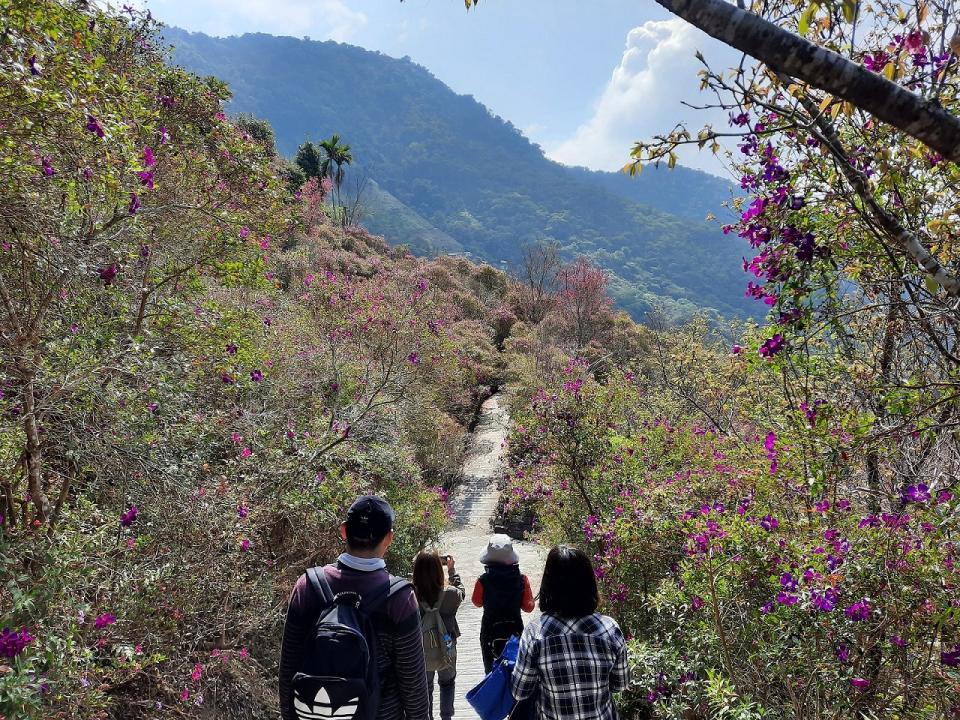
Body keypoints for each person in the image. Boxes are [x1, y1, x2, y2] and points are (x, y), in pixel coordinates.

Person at [279, 495, 429, 720]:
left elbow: (288, 670)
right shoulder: (399, 597)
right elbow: (414, 687)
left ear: (343, 531)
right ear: (389, 538)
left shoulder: (307, 586)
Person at [511, 545, 629, 720]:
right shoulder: (609, 630)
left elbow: (520, 692)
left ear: (548, 584)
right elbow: (620, 684)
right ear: (588, 583)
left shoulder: (534, 634)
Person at [412, 551, 465, 720]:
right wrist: (451, 570)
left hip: (421, 648)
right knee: (448, 683)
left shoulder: (409, 594)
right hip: (447, 645)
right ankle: (446, 717)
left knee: (425, 687)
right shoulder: (451, 594)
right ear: (438, 569)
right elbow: (461, 592)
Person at [471, 533, 535, 672]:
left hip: (490, 631)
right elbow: (529, 607)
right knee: (516, 669)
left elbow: (476, 602)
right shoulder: (522, 579)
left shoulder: (483, 580)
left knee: (491, 673)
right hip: (514, 630)